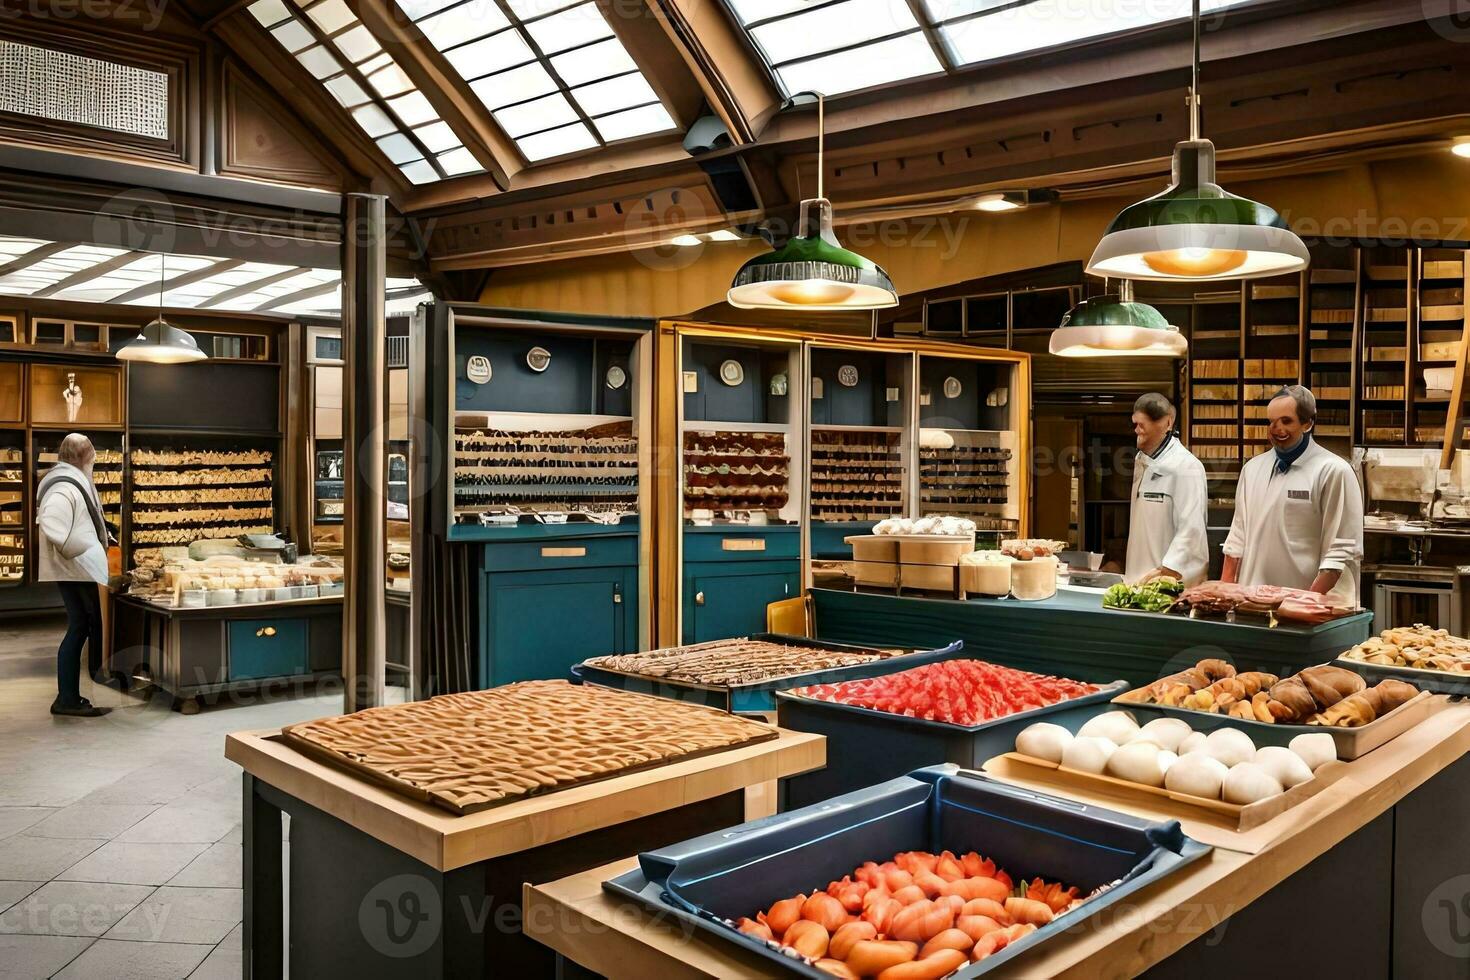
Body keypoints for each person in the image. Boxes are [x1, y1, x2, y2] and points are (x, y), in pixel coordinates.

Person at [1222, 385, 1363, 603]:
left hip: (1311, 606)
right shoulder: (1252, 469)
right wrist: (1225, 594)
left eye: (1286, 421)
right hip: (1252, 604)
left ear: (1308, 423)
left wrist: (1304, 602)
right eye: (1271, 421)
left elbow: (1342, 551)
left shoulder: (1333, 470)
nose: (1276, 429)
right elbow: (1237, 538)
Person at [37, 433, 112, 717]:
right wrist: (82, 547)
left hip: (76, 568)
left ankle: (70, 696)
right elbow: (53, 522)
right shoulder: (64, 486)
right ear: (82, 456)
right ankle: (66, 698)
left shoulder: (66, 478)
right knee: (80, 626)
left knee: (82, 625)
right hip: (76, 569)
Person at [1125, 393, 1209, 586]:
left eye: (1141, 424)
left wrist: (1167, 570)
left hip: (1169, 583)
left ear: (1167, 423)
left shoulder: (1187, 466)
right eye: (1134, 424)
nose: (1136, 430)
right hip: (1139, 578)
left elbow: (1192, 528)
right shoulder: (1141, 461)